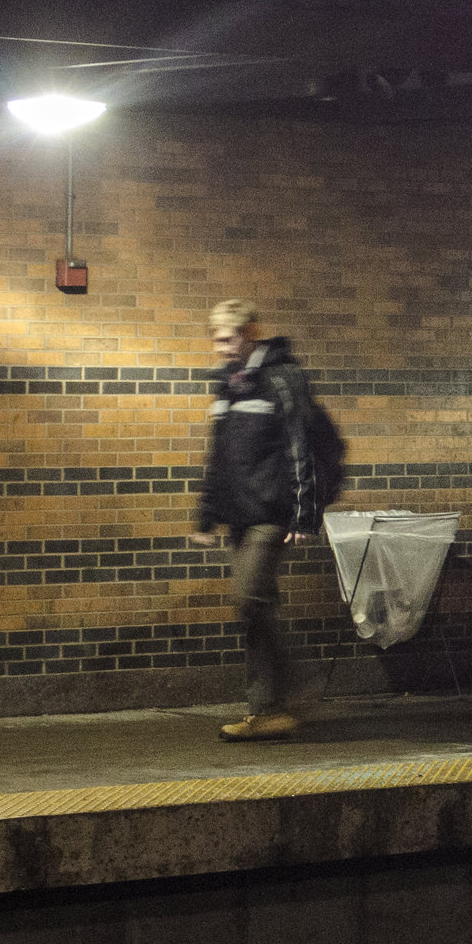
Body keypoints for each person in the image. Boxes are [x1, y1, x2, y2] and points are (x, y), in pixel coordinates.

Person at [189, 299, 326, 742]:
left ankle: (293, 690)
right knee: (255, 610)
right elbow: (219, 457)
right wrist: (207, 516)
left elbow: (300, 447)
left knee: (249, 599)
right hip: (239, 517)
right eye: (215, 336)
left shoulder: (281, 378)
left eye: (226, 337)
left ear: (249, 333)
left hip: (272, 514)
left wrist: (305, 516)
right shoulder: (228, 385)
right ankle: (268, 709)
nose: (219, 345)